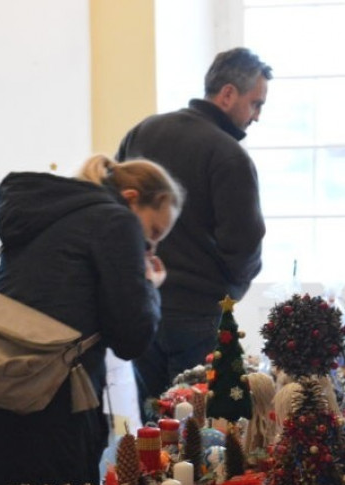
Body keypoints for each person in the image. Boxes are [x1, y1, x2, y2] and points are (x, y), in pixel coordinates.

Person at [0, 155, 182, 485]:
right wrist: (149, 285)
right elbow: (131, 337)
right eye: (153, 234)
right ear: (130, 198)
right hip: (54, 400)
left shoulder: (38, 212)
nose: (151, 248)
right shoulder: (117, 221)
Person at [117, 47, 271, 418]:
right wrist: (225, 295)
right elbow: (245, 245)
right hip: (199, 315)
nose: (257, 116)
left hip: (142, 306)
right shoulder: (228, 155)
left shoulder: (142, 131)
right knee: (199, 431)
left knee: (147, 429)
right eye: (255, 104)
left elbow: (115, 212)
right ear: (228, 94)